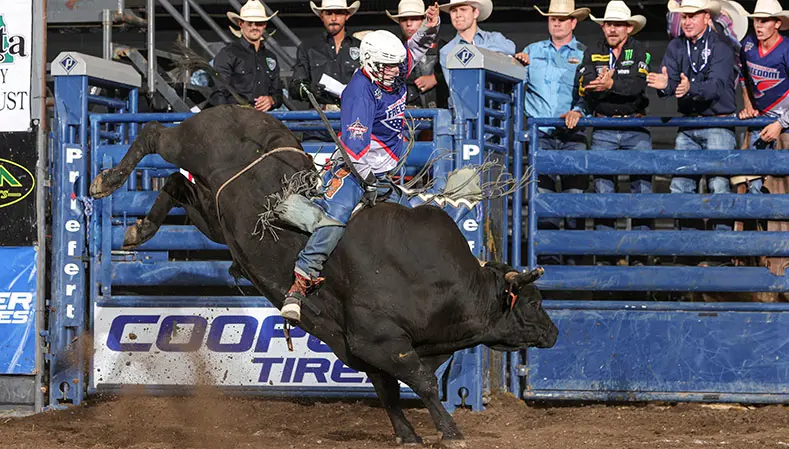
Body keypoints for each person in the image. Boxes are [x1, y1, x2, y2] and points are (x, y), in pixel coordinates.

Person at [281, 6, 441, 323]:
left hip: (386, 167)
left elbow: (413, 51)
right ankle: (299, 283)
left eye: (396, 67)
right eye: (388, 67)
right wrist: (370, 183)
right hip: (359, 168)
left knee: (408, 220)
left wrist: (428, 27)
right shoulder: (359, 92)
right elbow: (356, 150)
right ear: (370, 63)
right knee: (336, 217)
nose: (396, 73)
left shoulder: (389, 71)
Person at [647, 0, 738, 230]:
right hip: (687, 125)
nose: (687, 22)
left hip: (718, 123)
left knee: (719, 186)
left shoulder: (722, 45)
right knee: (680, 186)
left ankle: (721, 251)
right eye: (684, 17)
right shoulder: (677, 46)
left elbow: (717, 86)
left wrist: (689, 89)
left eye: (692, 16)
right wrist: (665, 85)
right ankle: (689, 248)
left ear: (706, 17)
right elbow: (671, 81)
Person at [564, 1, 652, 235]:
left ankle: (641, 256)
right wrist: (611, 86)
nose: (612, 29)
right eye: (608, 25)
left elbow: (638, 85)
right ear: (603, 27)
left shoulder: (640, 50)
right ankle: (605, 256)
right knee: (603, 192)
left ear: (629, 28)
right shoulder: (593, 51)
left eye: (618, 25)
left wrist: (611, 84)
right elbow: (587, 85)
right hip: (603, 126)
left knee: (642, 191)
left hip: (635, 125)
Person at [514, 0, 589, 201]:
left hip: (573, 133)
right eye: (553, 19)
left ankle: (572, 232)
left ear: (573, 23)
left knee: (574, 198)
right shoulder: (531, 51)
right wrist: (516, 65)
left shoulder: (585, 54)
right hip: (540, 135)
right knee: (542, 198)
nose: (556, 23)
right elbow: (516, 84)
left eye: (562, 20)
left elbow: (589, 94)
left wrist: (579, 111)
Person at [289, 0, 362, 111]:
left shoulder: (362, 47)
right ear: (321, 16)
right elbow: (295, 87)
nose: (333, 18)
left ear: (347, 15)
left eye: (338, 13)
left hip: (354, 114)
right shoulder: (308, 47)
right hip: (319, 117)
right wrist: (310, 90)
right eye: (328, 13)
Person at [213, 0, 282, 111]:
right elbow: (219, 93)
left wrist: (271, 100)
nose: (254, 27)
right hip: (236, 119)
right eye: (250, 23)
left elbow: (278, 93)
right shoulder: (228, 54)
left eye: (259, 23)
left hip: (263, 120)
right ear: (241, 24)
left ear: (264, 25)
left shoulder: (271, 57)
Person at [438, 0, 516, 86]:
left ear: (475, 13)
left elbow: (511, 49)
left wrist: (475, 51)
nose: (458, 15)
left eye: (463, 9)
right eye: (454, 11)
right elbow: (454, 87)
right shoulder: (446, 51)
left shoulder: (494, 38)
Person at [388, 0, 449, 108]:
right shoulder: (392, 48)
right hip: (402, 112)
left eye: (414, 19)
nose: (409, 24)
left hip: (436, 111)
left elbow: (456, 76)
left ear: (423, 20)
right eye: (404, 19)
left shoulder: (442, 46)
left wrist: (435, 78)